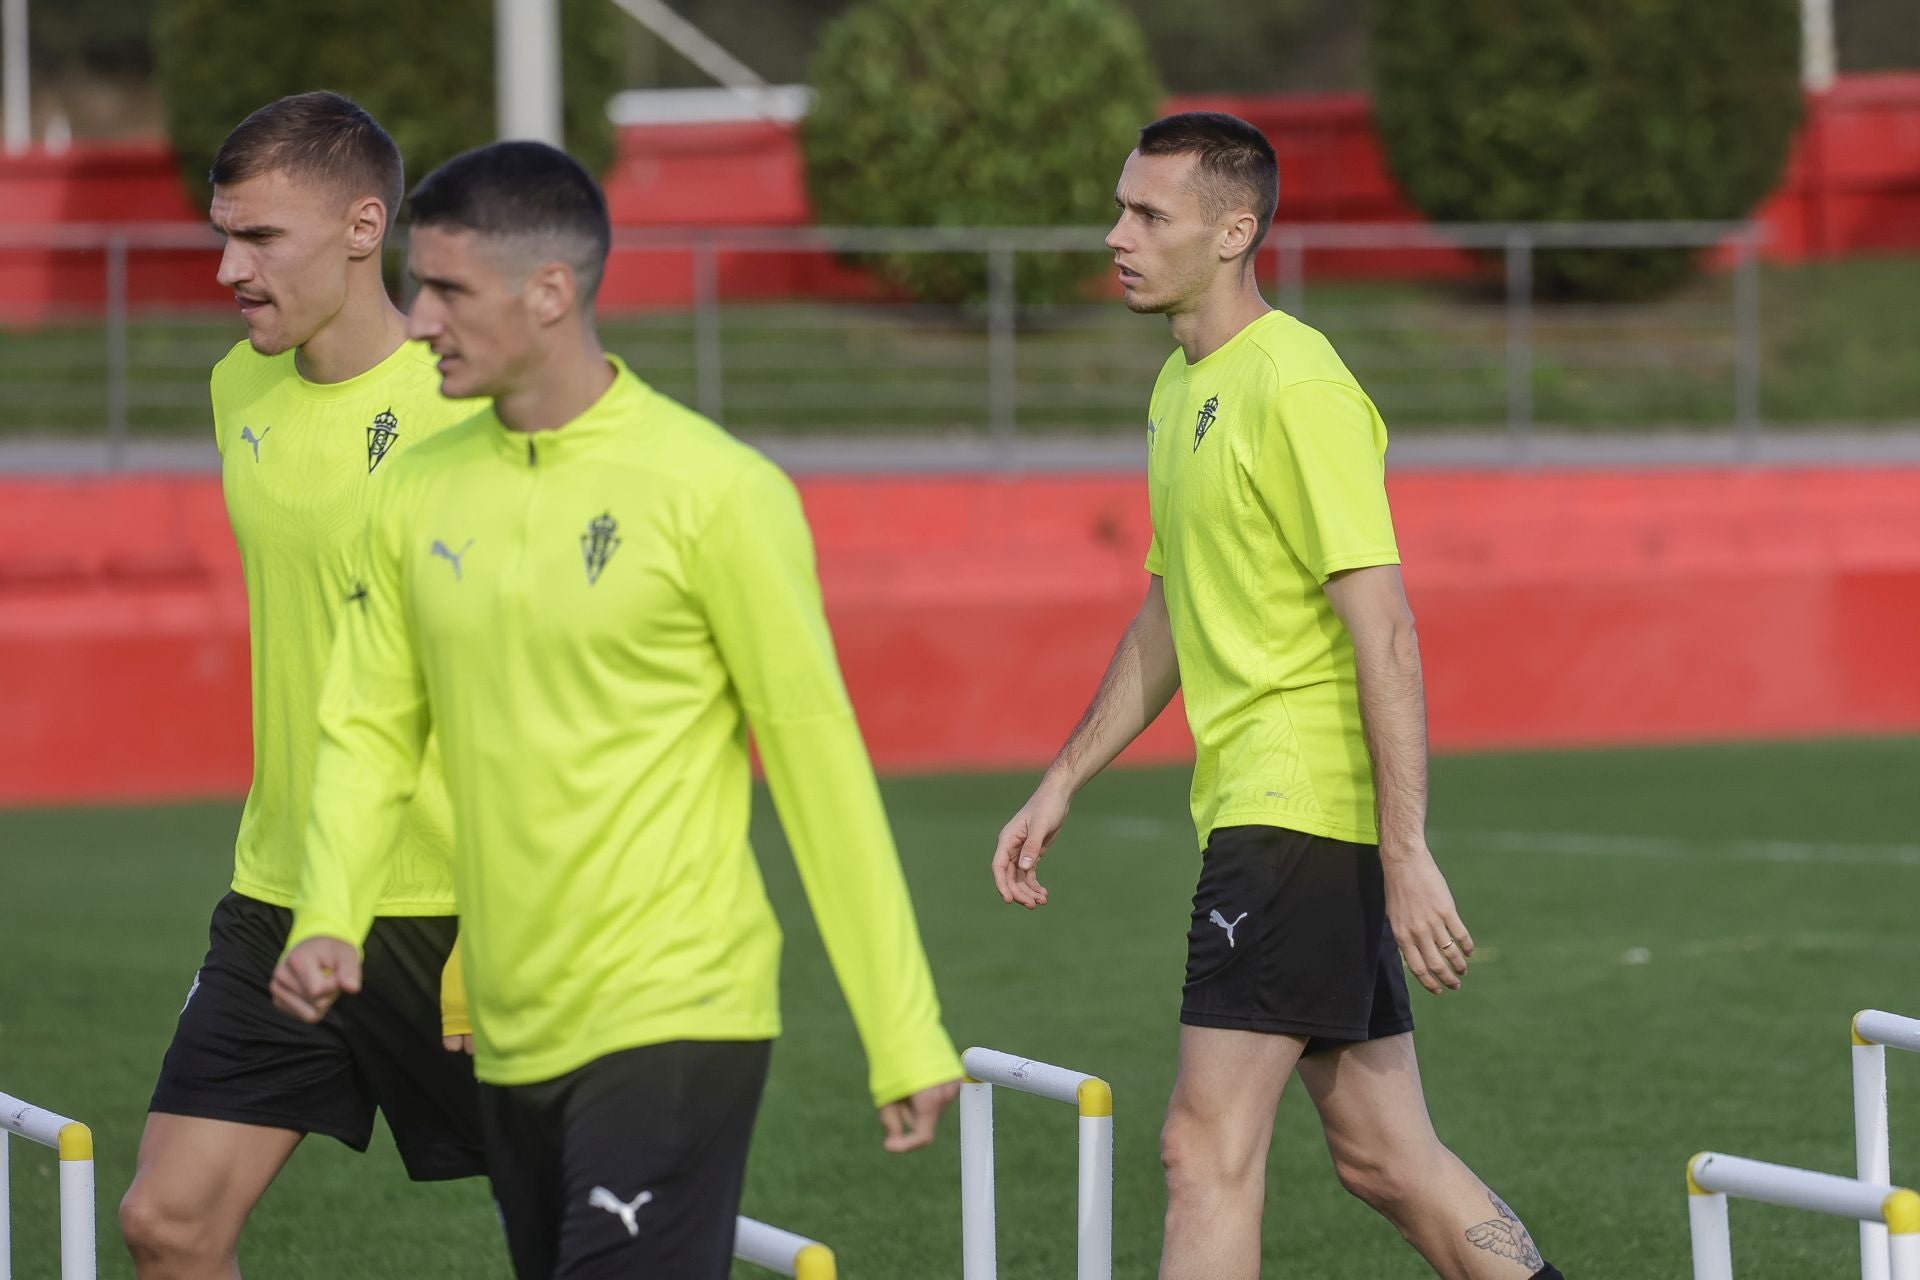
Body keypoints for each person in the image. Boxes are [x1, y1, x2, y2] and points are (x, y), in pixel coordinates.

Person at [270, 140, 964, 1280]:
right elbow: (368, 727)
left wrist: (903, 1028)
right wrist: (330, 913)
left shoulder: (718, 493)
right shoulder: (415, 493)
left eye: (445, 289)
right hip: (507, 1016)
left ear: (549, 291)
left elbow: (817, 766)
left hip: (679, 1004)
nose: (415, 321)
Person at [990, 111, 1566, 1280]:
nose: (1116, 235)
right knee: (1385, 1156)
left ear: (1233, 229)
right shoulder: (1178, 387)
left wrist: (1405, 848)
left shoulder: (1298, 385)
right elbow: (1172, 609)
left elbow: (1386, 628)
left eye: (1147, 214)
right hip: (1279, 816)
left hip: (1295, 812)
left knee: (1201, 1148)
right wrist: (1062, 777)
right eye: (1120, 206)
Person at [118, 92, 485, 1280]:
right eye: (222, 235)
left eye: (262, 238)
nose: (230, 266)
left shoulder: (473, 403)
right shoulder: (239, 391)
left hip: (468, 906)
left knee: (587, 1238)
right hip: (281, 891)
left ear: (365, 226)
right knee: (168, 1226)